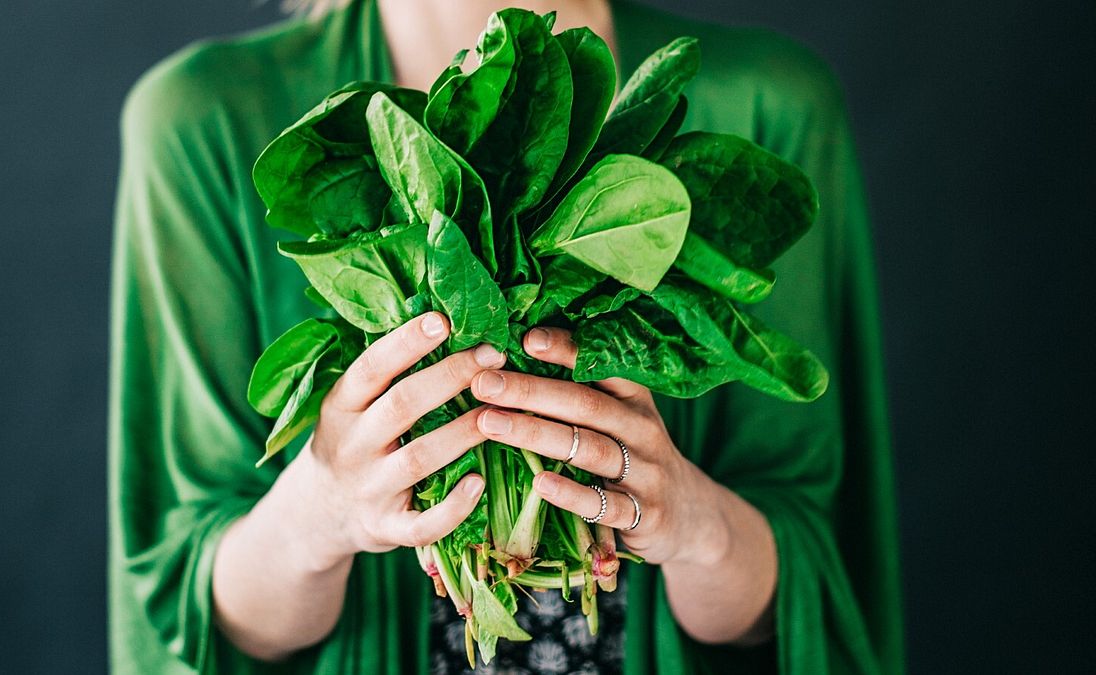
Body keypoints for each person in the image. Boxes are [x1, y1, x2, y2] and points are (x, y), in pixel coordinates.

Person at [107, 0, 904, 672]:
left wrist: (691, 523)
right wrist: (322, 512)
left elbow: (813, 584)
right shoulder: (201, 121)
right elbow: (193, 608)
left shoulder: (774, 103)